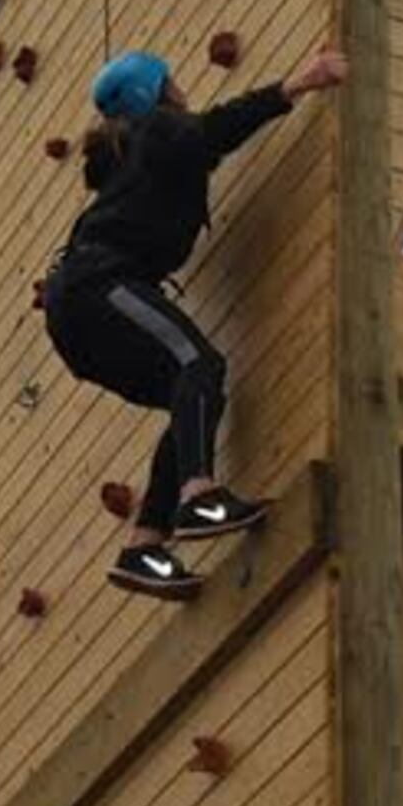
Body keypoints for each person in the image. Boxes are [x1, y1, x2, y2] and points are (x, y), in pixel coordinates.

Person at [41, 41, 350, 598]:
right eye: (171, 82)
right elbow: (215, 130)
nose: (180, 91)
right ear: (153, 94)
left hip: (81, 312)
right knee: (200, 362)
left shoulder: (137, 156)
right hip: (98, 287)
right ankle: (200, 496)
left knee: (189, 391)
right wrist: (301, 82)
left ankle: (144, 545)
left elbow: (200, 147)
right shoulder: (159, 129)